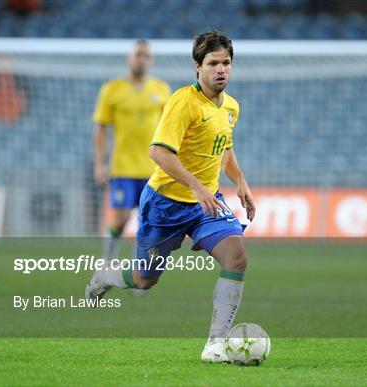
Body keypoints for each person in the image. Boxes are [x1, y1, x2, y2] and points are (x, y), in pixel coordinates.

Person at [86, 29, 255, 363]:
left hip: (207, 204)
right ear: (198, 67)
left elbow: (225, 150)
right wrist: (195, 185)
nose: (221, 69)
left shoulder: (231, 107)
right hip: (165, 204)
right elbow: (159, 153)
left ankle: (215, 345)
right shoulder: (182, 101)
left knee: (237, 258)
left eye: (226, 63)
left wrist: (241, 182)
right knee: (144, 279)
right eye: (213, 63)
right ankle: (105, 276)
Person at [92, 39, 171, 264]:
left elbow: (171, 128)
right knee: (121, 219)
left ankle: (141, 270)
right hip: (123, 168)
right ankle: (108, 260)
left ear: (151, 61)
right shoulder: (112, 89)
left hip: (154, 170)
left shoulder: (161, 89)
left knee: (149, 222)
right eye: (138, 55)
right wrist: (99, 164)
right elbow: (100, 128)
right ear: (130, 58)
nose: (142, 59)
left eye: (146, 56)